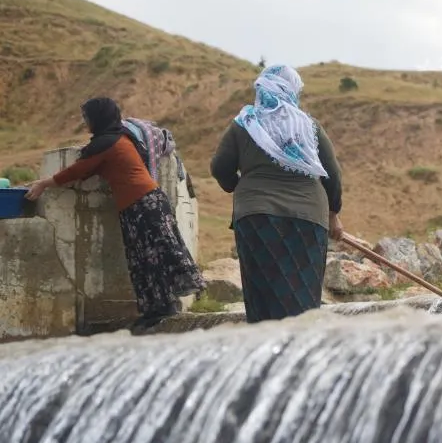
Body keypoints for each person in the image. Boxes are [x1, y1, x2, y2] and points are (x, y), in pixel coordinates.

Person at [25, 96, 206, 330]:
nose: (85, 122)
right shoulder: (114, 139)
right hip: (145, 203)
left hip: (143, 205)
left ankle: (163, 308)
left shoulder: (107, 144)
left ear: (98, 119)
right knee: (144, 258)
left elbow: (77, 170)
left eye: (87, 118)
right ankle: (157, 308)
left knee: (151, 257)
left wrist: (43, 184)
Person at [210, 64, 344, 324]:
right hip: (307, 219)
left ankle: (266, 352)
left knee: (262, 291)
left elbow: (219, 167)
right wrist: (334, 214)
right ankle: (298, 352)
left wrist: (241, 188)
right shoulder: (309, 127)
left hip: (256, 219)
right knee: (302, 292)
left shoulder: (244, 125)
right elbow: (333, 174)